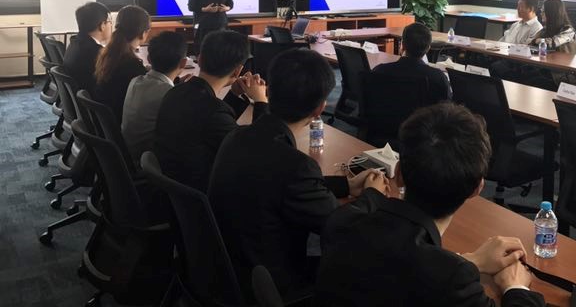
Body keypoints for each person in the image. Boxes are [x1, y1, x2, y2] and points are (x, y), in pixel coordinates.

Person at [314, 102, 545, 307]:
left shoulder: (341, 221)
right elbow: (420, 268)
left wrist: (469, 260)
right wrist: (516, 287)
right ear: (477, 188)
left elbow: (397, 263)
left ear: (398, 174)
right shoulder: (452, 279)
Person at [208, 49, 389, 298]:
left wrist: (346, 185)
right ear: (320, 109)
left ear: (269, 91)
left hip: (228, 269)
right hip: (271, 287)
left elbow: (281, 183)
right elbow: (342, 228)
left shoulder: (236, 136)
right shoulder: (295, 165)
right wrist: (372, 195)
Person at [154, 30, 266, 192]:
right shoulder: (214, 113)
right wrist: (261, 101)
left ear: (200, 59)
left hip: (175, 191)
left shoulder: (176, 92)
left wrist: (234, 94)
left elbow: (217, 126)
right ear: (237, 71)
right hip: (206, 195)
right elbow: (256, 155)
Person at [121, 31, 188, 164]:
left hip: (127, 156)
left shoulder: (135, 81)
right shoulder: (170, 95)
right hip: (148, 164)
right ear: (183, 63)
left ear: (149, 59)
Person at [94, 5, 150, 122]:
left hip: (107, 121)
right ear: (143, 33)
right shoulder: (132, 65)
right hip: (122, 122)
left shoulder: (108, 54)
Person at [372, 22, 450, 103]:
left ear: (402, 45)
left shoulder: (379, 71)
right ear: (428, 48)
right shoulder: (438, 78)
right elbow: (447, 105)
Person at [62, 1, 112, 94]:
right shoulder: (96, 53)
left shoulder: (75, 42)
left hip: (79, 97)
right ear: (102, 25)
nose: (111, 25)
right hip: (92, 99)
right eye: (110, 22)